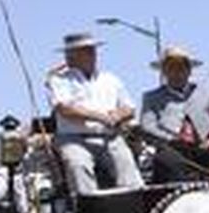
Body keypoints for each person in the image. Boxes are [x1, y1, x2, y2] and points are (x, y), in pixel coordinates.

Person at [46, 32, 143, 194]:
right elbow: (65, 108)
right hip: (74, 139)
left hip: (110, 138)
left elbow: (130, 108)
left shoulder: (110, 79)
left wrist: (118, 116)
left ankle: (135, 207)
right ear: (71, 54)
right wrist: (101, 117)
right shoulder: (59, 80)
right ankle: (88, 210)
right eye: (84, 50)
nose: (91, 53)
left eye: (91, 50)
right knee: (78, 164)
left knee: (127, 166)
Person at [139, 44, 209, 182]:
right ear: (164, 72)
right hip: (173, 151)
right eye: (171, 68)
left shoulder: (208, 92)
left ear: (189, 70)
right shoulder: (152, 98)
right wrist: (172, 139)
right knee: (166, 162)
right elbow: (147, 126)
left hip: (207, 148)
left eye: (181, 67)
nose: (177, 72)